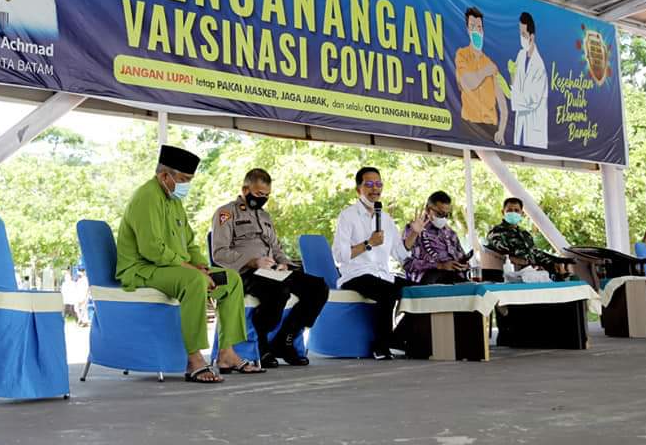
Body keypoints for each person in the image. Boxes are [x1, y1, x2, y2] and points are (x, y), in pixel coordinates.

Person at [116, 145, 262, 383]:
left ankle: (226, 354)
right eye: (183, 179)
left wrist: (202, 265)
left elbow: (190, 243)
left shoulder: (174, 200)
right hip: (143, 270)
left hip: (173, 268)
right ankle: (194, 359)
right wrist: (195, 271)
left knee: (231, 279)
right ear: (165, 176)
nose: (187, 185)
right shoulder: (146, 197)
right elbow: (152, 250)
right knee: (194, 280)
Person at [211, 168, 328, 369]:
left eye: (266, 195)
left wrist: (284, 263)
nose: (263, 199)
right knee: (278, 292)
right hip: (245, 272)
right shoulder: (226, 213)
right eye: (258, 194)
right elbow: (219, 253)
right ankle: (262, 344)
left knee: (318, 287)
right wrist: (252, 261)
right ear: (245, 190)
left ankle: (286, 339)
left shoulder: (265, 216)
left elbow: (276, 248)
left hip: (272, 271)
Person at [333, 167, 423, 359]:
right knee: (387, 292)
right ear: (358, 189)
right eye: (369, 184)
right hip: (355, 274)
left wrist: (414, 233)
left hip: (382, 274)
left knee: (419, 292)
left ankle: (397, 338)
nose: (375, 189)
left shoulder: (386, 219)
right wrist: (368, 244)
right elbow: (340, 255)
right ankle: (380, 345)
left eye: (378, 184)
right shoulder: (348, 216)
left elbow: (400, 253)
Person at [455, 7, 508, 145]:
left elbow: (503, 105)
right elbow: (468, 83)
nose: (476, 31)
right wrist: (485, 71)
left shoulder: (491, 65)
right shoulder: (462, 55)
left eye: (479, 27)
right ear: (467, 30)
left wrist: (501, 130)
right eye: (472, 27)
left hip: (490, 129)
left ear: (483, 30)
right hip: (469, 126)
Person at [484, 197, 570, 280]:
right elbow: (504, 254)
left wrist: (554, 262)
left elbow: (535, 252)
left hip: (534, 273)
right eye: (509, 210)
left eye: (516, 210)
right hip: (514, 274)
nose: (513, 213)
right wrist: (528, 263)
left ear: (522, 213)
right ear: (503, 212)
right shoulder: (496, 232)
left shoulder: (525, 234)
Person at [403, 191, 470, 285]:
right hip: (429, 278)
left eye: (446, 215)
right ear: (427, 209)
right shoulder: (414, 229)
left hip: (456, 277)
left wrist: (464, 265)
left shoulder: (451, 234)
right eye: (439, 214)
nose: (443, 218)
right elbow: (406, 263)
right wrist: (440, 265)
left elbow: (461, 257)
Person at [511, 12, 548, 149]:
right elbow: (515, 84)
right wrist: (511, 76)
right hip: (520, 127)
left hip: (534, 132)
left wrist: (511, 94)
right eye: (520, 34)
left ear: (531, 37)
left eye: (523, 34)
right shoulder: (520, 56)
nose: (521, 38)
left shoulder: (539, 67)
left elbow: (531, 100)